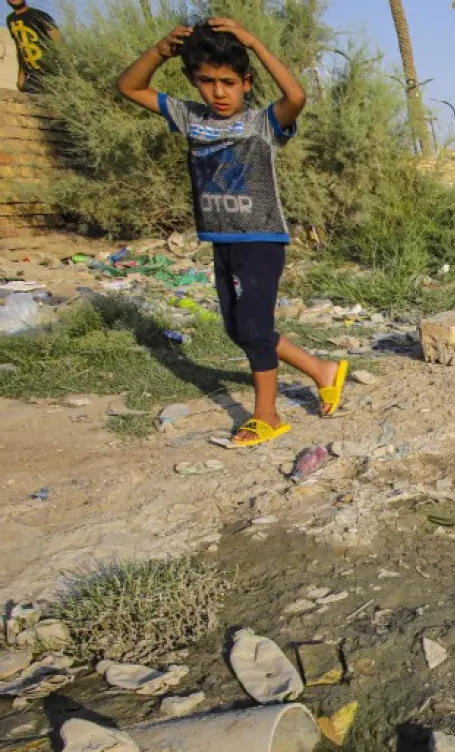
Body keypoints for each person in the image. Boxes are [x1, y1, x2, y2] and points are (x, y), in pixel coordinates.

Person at [117, 19, 347, 449]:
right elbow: (129, 87)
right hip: (221, 239)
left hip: (260, 238)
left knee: (255, 329)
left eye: (228, 82)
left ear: (246, 83)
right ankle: (322, 371)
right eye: (207, 82)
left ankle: (267, 414)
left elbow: (296, 96)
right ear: (193, 80)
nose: (218, 92)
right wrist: (159, 51)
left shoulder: (262, 122)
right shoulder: (190, 117)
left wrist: (255, 42)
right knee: (239, 329)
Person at [6, 0, 59, 93]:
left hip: (51, 73)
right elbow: (21, 47)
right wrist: (22, 74)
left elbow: (59, 42)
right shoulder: (10, 20)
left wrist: (65, 70)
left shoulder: (40, 16)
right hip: (33, 76)